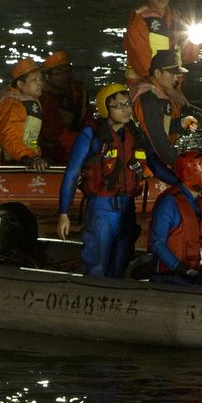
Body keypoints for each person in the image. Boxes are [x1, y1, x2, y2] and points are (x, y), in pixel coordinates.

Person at [56, 83, 152, 277]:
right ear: (104, 109)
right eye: (119, 106)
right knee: (97, 263)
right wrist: (63, 213)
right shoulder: (91, 136)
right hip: (102, 208)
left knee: (120, 263)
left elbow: (154, 163)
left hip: (127, 207)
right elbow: (72, 174)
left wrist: (180, 180)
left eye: (127, 104)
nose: (126, 110)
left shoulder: (135, 133)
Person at [149, 150, 202, 286]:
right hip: (171, 275)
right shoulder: (169, 202)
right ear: (190, 174)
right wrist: (181, 268)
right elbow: (157, 244)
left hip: (198, 270)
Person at [123, 0, 201, 89]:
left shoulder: (179, 18)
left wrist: (195, 41)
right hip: (145, 88)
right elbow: (141, 65)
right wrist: (167, 89)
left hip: (174, 84)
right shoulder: (139, 19)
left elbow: (190, 57)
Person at [131, 48, 197, 176]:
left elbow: (158, 127)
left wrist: (181, 123)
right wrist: (184, 165)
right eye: (172, 74)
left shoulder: (157, 93)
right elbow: (159, 143)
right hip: (146, 167)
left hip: (153, 158)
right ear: (157, 73)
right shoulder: (149, 100)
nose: (176, 78)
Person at [0, 57, 49, 170]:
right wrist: (31, 158)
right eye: (34, 80)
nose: (40, 83)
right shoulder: (13, 105)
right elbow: (10, 137)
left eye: (40, 79)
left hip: (22, 158)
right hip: (4, 162)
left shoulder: (27, 99)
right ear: (20, 84)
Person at [37, 50, 91, 165]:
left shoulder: (79, 90)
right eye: (58, 73)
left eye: (66, 71)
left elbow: (87, 118)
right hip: (51, 150)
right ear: (47, 77)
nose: (64, 76)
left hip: (75, 142)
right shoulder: (43, 97)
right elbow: (52, 133)